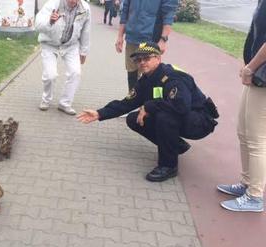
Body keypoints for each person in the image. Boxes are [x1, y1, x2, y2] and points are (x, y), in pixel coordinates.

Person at [77, 42, 218, 182]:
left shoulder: (174, 76)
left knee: (165, 117)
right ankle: (175, 145)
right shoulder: (146, 79)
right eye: (138, 60)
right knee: (134, 119)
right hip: (181, 115)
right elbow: (127, 103)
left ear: (158, 58)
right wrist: (100, 113)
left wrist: (149, 106)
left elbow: (180, 105)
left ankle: (168, 166)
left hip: (200, 121)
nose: (142, 62)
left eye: (146, 58)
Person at [217, 0, 266, 212]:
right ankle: (246, 183)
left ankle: (255, 195)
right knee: (244, 132)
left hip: (262, 74)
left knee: (256, 138)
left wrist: (251, 66)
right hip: (256, 71)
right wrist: (247, 63)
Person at [35, 0, 91, 115]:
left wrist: (83, 51)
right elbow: (37, 25)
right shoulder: (53, 4)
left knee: (75, 73)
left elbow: (86, 31)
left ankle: (65, 103)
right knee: (50, 75)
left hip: (70, 45)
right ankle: (46, 100)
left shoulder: (85, 9)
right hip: (49, 43)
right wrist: (50, 21)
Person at [115, 0, 178, 92]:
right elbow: (125, 11)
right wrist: (120, 36)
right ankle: (132, 101)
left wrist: (163, 39)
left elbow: (168, 14)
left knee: (151, 74)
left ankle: (149, 104)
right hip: (132, 37)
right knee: (131, 72)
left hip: (151, 39)